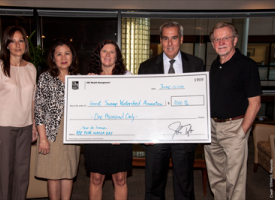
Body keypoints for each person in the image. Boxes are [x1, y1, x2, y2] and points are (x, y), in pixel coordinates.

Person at [138, 21, 204, 200]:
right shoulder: (146, 67)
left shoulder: (197, 65)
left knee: (185, 186)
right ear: (160, 40)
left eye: (174, 38)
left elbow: (201, 101)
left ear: (181, 39)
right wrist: (144, 132)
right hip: (156, 137)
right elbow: (141, 104)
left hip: (185, 134)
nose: (169, 43)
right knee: (153, 186)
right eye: (165, 38)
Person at [204, 22, 262, 200]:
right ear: (213, 43)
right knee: (216, 178)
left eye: (225, 38)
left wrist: (242, 132)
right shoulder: (214, 65)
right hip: (212, 129)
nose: (221, 42)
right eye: (217, 39)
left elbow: (256, 103)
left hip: (234, 127)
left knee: (234, 180)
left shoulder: (247, 65)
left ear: (235, 40)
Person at [0, 26, 37, 200]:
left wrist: (35, 126)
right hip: (4, 126)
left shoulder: (31, 68)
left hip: (26, 126)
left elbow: (32, 100)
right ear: (6, 44)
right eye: (13, 41)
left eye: (21, 40)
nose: (17, 44)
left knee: (22, 173)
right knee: (6, 171)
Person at [85, 40, 133, 200]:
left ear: (117, 56)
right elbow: (85, 109)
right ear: (98, 55)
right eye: (104, 51)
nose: (108, 55)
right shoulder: (89, 78)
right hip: (96, 134)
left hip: (120, 135)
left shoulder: (127, 77)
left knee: (120, 179)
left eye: (112, 52)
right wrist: (87, 87)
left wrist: (121, 132)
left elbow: (133, 107)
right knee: (96, 179)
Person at [34, 38, 80, 200]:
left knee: (68, 173)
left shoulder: (78, 79)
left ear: (72, 57)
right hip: (52, 133)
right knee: (53, 174)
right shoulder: (45, 78)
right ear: (53, 58)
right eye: (58, 54)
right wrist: (43, 138)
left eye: (67, 53)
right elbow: (39, 109)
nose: (63, 57)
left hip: (72, 133)